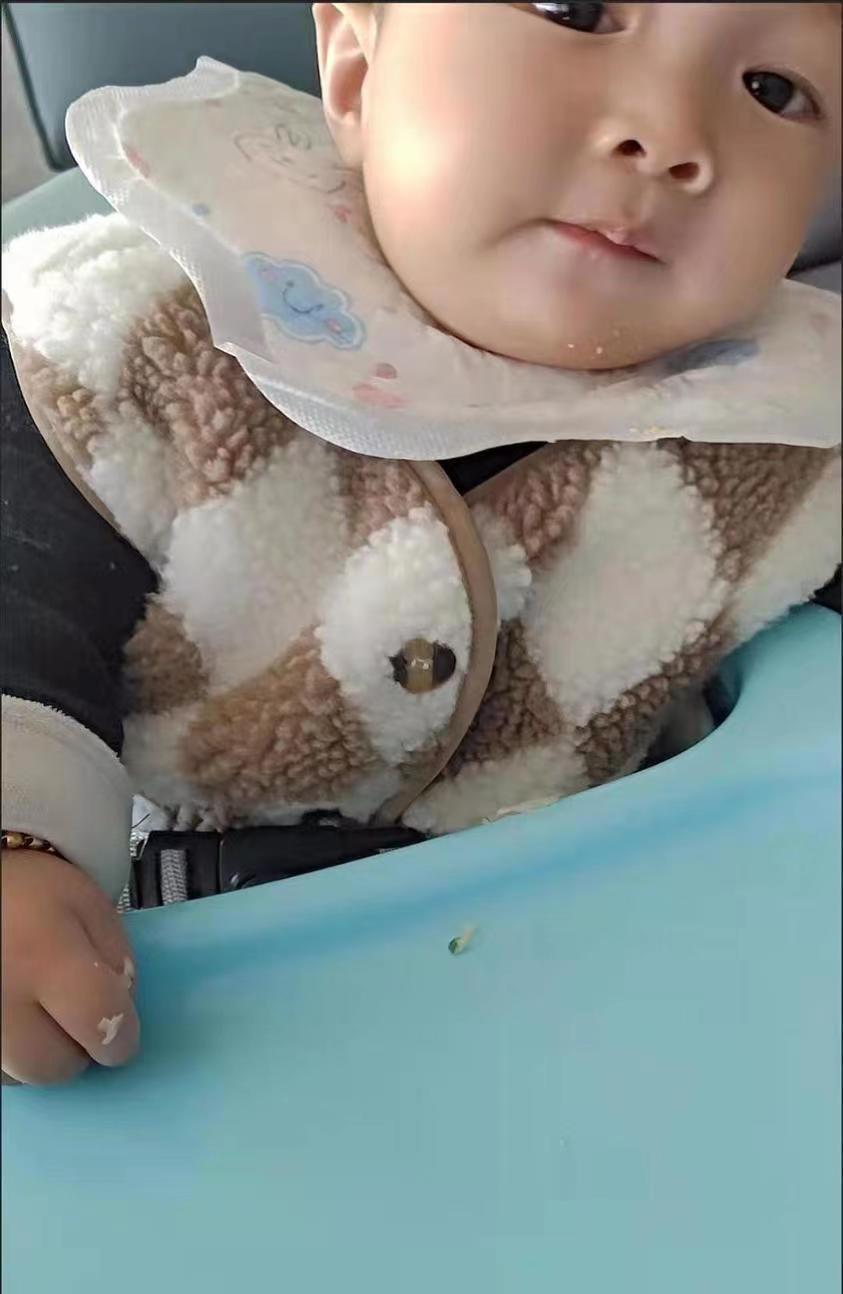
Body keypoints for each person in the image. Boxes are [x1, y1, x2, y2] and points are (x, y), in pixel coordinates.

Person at [2, 1, 840, 1085]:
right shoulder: (135, 349)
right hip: (184, 1011)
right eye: (576, 9)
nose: (672, 136)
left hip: (601, 1016)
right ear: (357, 66)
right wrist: (20, 849)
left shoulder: (784, 430)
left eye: (774, 89)